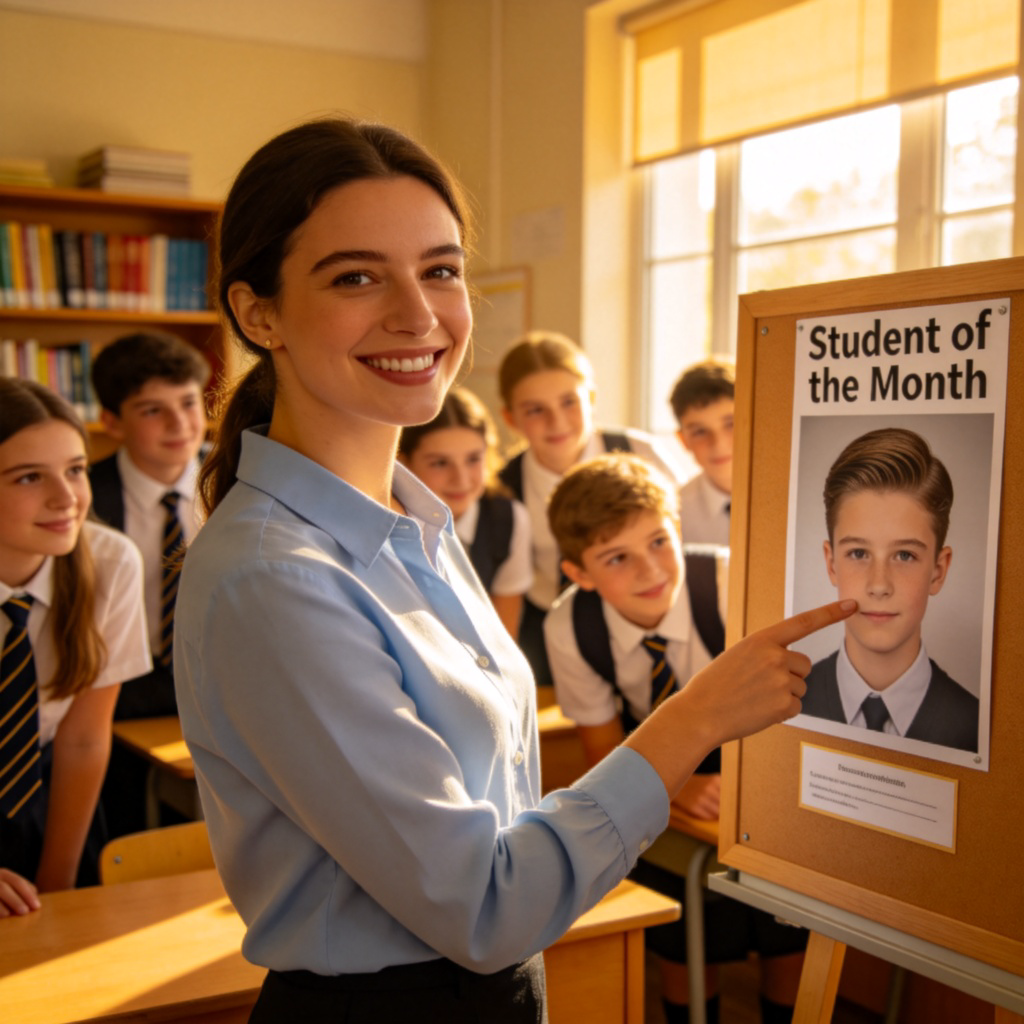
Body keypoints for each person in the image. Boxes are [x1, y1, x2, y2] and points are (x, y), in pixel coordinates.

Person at [172, 115, 853, 1023]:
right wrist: (696, 718)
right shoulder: (279, 578)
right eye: (357, 276)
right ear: (257, 313)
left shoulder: (415, 524)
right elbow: (484, 906)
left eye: (442, 270)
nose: (419, 315)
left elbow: (495, 819)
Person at [544, 454, 806, 1024]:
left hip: (764, 757)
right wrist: (675, 786)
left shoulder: (727, 583)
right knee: (684, 916)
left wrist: (737, 786)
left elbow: (793, 705)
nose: (650, 570)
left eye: (659, 541)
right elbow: (604, 754)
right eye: (618, 557)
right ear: (580, 574)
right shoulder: (571, 627)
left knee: (788, 922)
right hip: (657, 766)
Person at [0, 379, 150, 917]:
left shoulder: (110, 563)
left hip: (49, 797)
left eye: (76, 469)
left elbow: (84, 740)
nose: (67, 499)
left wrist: (57, 883)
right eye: (28, 477)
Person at [497, 330, 683, 687]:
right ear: (511, 418)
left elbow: (680, 530)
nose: (558, 421)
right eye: (536, 410)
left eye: (569, 401)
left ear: (592, 397)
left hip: (650, 604)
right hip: (547, 622)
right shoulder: (505, 485)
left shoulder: (638, 450)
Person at [89, 331, 210, 837]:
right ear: (112, 422)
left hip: (218, 686)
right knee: (123, 829)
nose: (180, 424)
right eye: (151, 411)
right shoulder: (82, 498)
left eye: (188, 402)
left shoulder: (241, 480)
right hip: (116, 693)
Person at [803, 426, 978, 752]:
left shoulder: (976, 726)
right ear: (831, 564)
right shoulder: (787, 703)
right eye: (858, 553)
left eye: (904, 555)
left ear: (938, 571)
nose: (879, 585)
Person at [399, 387, 531, 636]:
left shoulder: (509, 520)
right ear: (404, 462)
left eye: (473, 460)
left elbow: (504, 634)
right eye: (440, 463)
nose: (460, 480)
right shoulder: (391, 525)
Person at [669, 360, 734, 547]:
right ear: (683, 440)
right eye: (699, 431)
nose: (718, 443)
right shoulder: (676, 514)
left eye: (731, 424)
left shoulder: (790, 497)